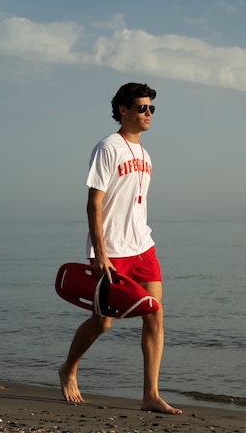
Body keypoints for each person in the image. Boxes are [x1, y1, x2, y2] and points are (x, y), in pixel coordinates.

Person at [59, 82, 182, 415]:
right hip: (112, 250)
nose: (148, 114)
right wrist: (100, 253)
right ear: (123, 110)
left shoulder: (144, 154)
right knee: (103, 324)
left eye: (151, 109)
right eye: (142, 108)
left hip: (143, 246)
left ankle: (150, 396)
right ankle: (68, 368)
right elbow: (93, 203)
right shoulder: (108, 148)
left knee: (155, 314)